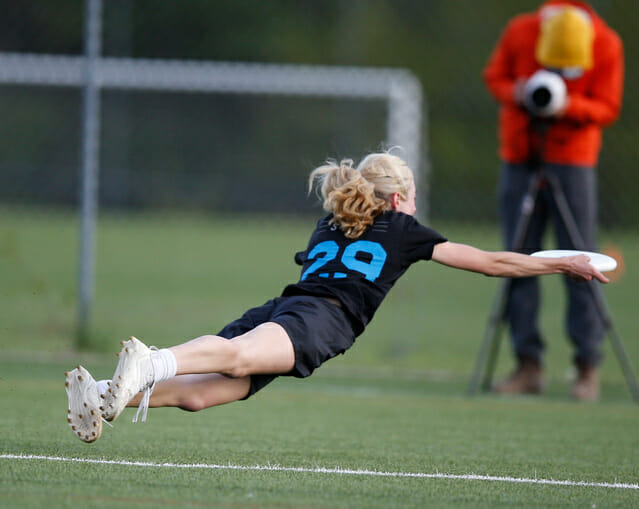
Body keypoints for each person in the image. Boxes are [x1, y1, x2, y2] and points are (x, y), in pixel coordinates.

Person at [64, 150, 608, 443]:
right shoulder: (401, 225)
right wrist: (565, 260)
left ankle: (107, 392)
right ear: (398, 198)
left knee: (201, 395)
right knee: (232, 358)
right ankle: (151, 359)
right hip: (317, 320)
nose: (414, 204)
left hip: (285, 309)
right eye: (412, 196)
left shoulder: (334, 220)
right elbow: (491, 263)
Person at [482, 0, 624, 401]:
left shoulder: (607, 43)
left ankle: (587, 367)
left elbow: (608, 106)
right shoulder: (519, 30)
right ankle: (527, 365)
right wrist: (520, 91)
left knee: (583, 260)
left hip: (573, 160)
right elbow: (494, 78)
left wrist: (568, 104)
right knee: (517, 259)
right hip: (520, 157)